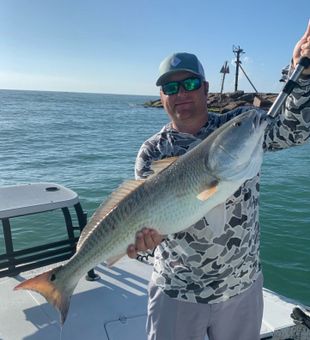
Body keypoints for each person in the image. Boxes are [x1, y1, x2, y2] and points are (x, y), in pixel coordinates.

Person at [127, 23, 310, 340]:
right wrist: (142, 242)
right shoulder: (152, 152)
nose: (181, 93)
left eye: (190, 83)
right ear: (161, 96)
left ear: (206, 88)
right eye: (170, 88)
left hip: (241, 286)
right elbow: (149, 221)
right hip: (176, 291)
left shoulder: (239, 127)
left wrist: (301, 72)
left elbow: (297, 129)